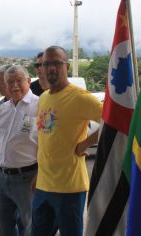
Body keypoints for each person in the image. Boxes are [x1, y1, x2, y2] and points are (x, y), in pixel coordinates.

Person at [32, 46, 103, 236]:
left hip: (70, 188)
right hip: (43, 185)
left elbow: (112, 121)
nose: (51, 68)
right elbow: (46, 140)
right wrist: (38, 175)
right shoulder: (44, 98)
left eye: (57, 63)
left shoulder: (79, 97)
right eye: (46, 64)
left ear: (67, 66)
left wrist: (86, 143)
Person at [0, 65, 38, 236]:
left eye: (19, 80)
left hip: (28, 178)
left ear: (28, 81)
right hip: (2, 178)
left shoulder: (40, 106)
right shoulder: (2, 109)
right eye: (10, 82)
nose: (15, 85)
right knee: (1, 221)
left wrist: (41, 174)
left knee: (31, 225)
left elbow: (48, 144)